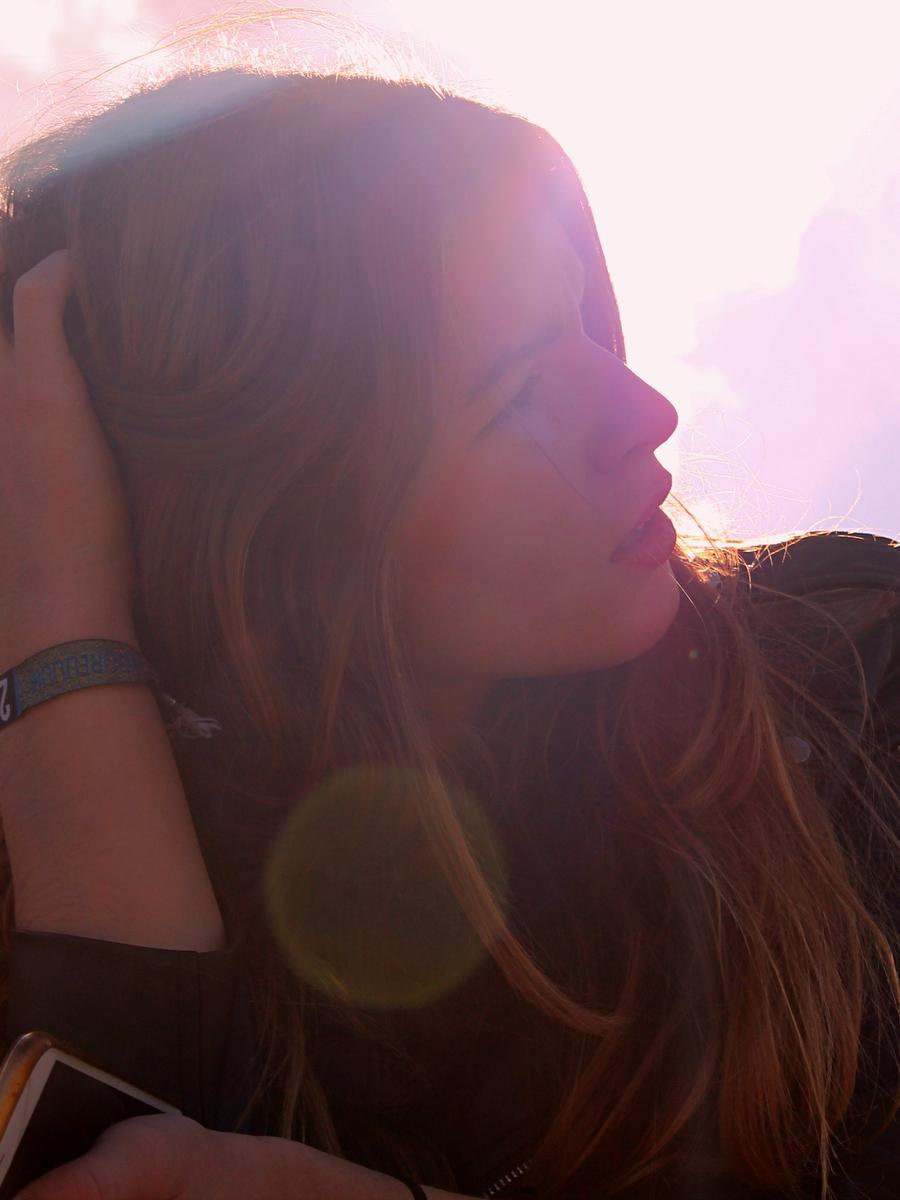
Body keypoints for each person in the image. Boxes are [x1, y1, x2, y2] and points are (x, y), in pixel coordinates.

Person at [0, 41, 898, 1200]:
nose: (644, 411)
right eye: (514, 397)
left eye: (582, 321)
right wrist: (65, 644)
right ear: (280, 556)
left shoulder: (850, 670)